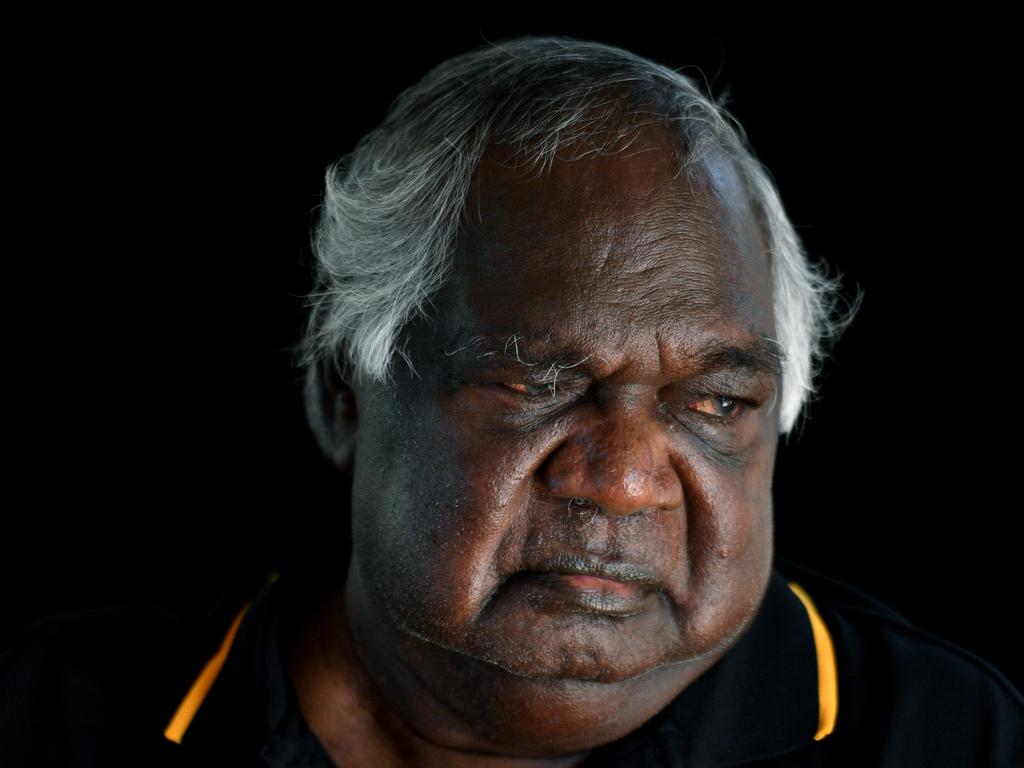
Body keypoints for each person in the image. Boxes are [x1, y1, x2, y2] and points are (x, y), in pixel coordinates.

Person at [2, 34, 1021, 768]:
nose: (623, 484)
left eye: (712, 404)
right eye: (536, 384)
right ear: (341, 398)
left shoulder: (949, 735)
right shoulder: (52, 718)